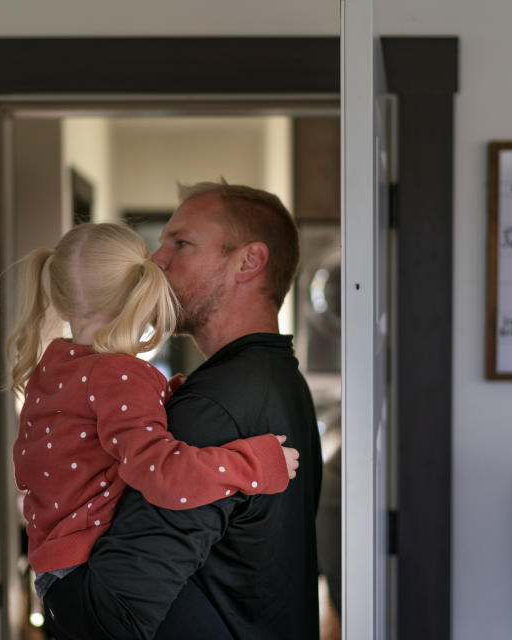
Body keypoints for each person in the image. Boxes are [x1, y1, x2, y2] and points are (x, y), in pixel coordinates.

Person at [43, 182, 323, 640]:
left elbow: (114, 616)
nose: (156, 259)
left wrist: (55, 592)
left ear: (249, 262)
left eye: (181, 243)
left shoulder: (211, 408)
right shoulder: (281, 381)